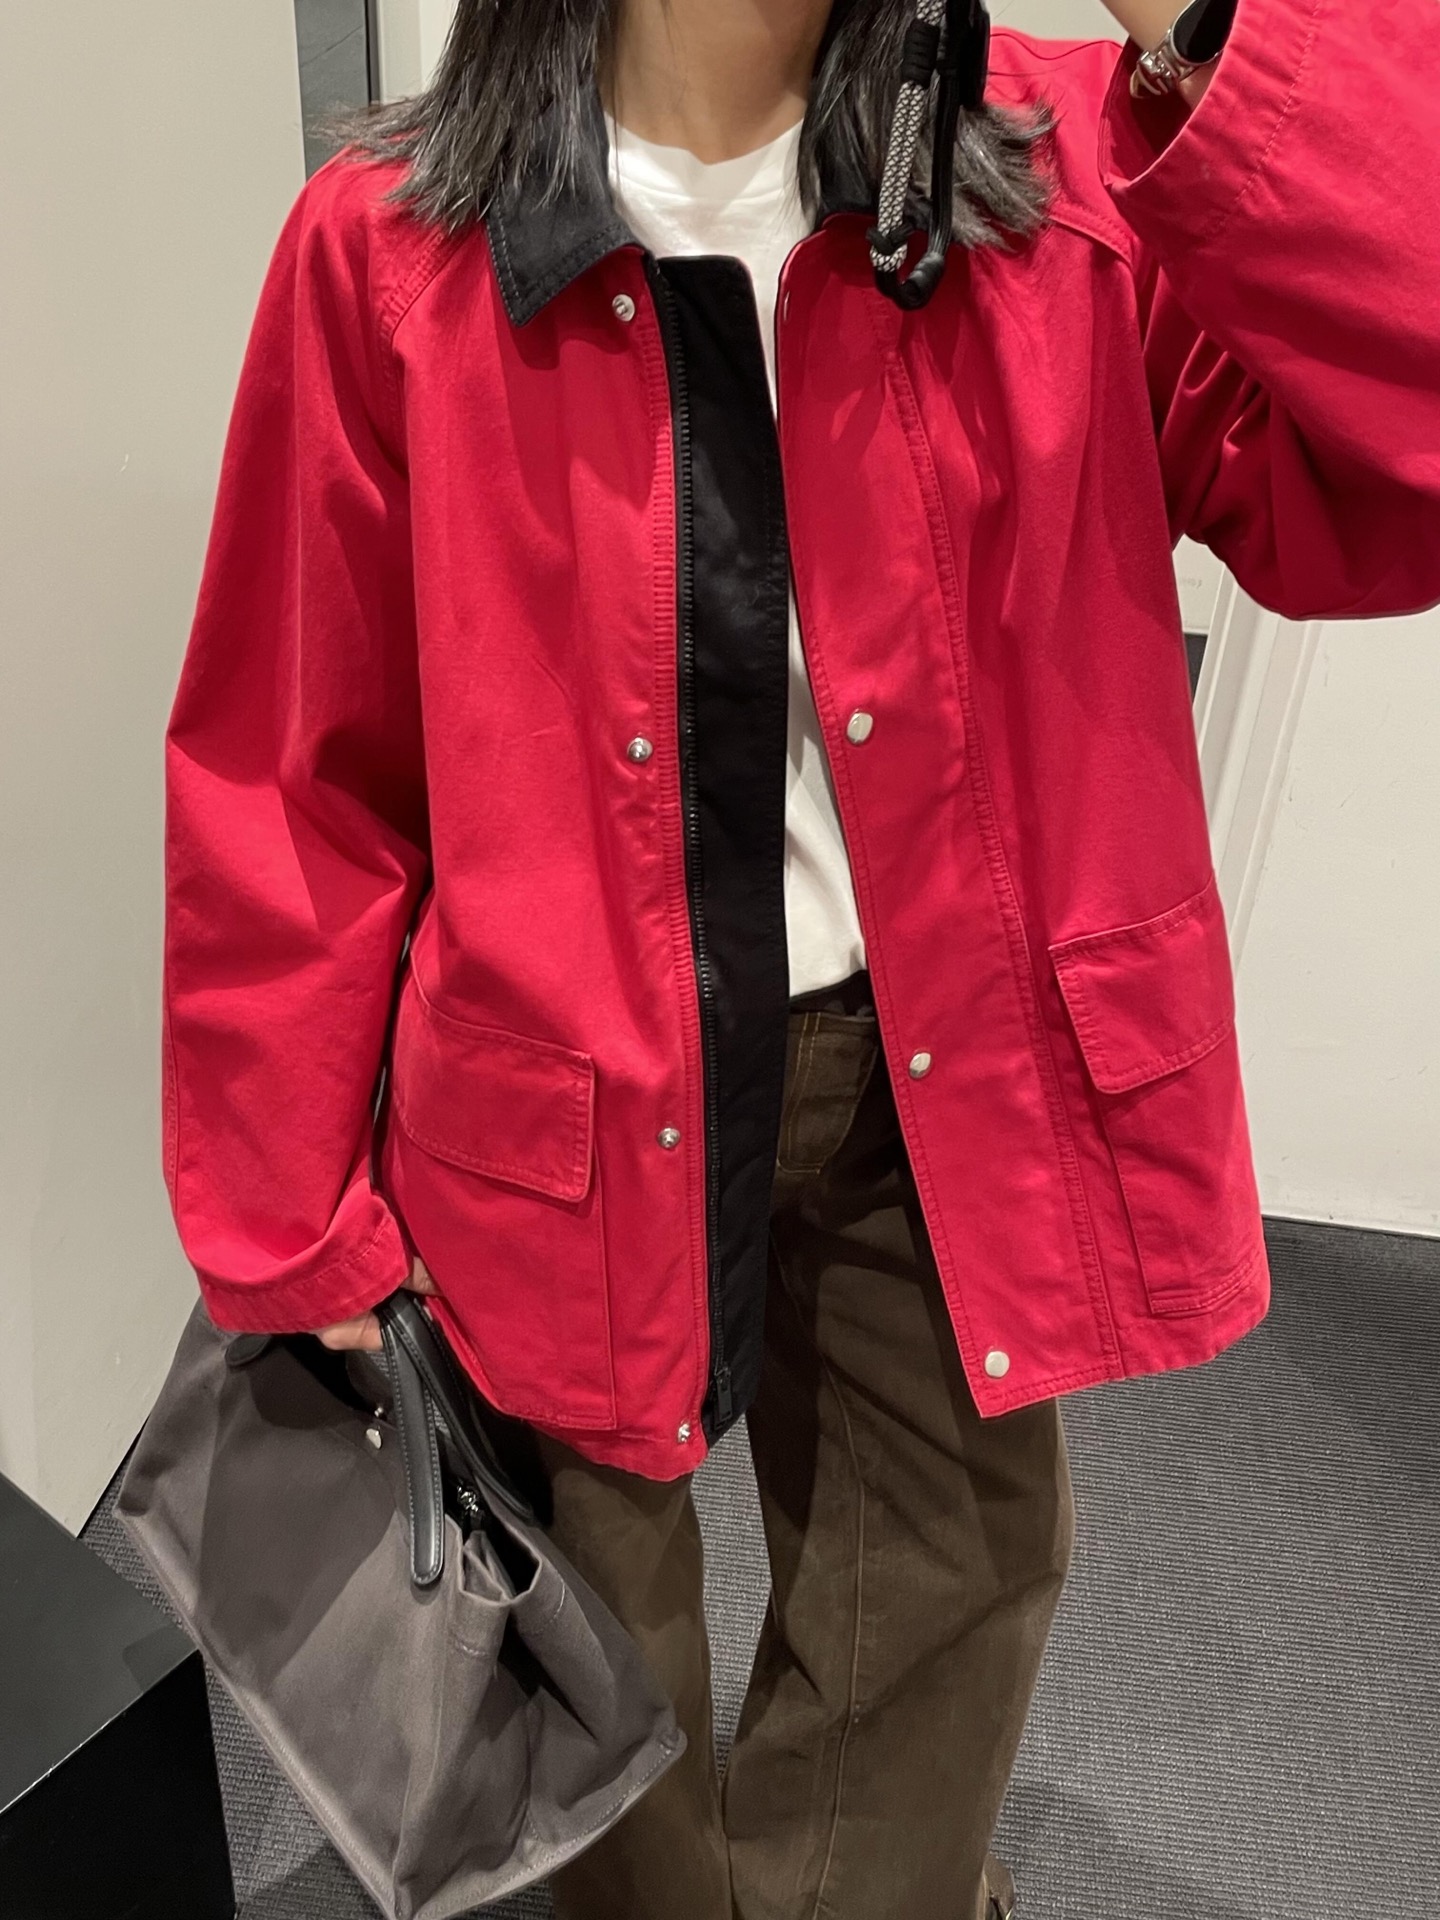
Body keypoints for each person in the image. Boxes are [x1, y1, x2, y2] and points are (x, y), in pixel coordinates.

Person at [159, 0, 1440, 1913]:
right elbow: (294, 758)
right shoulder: (392, 244)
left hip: (939, 1068)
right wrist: (286, 1205)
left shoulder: (1064, 174)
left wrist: (1209, 29)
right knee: (588, 1637)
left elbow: (1399, 447)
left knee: (956, 1573)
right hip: (569, 1094)